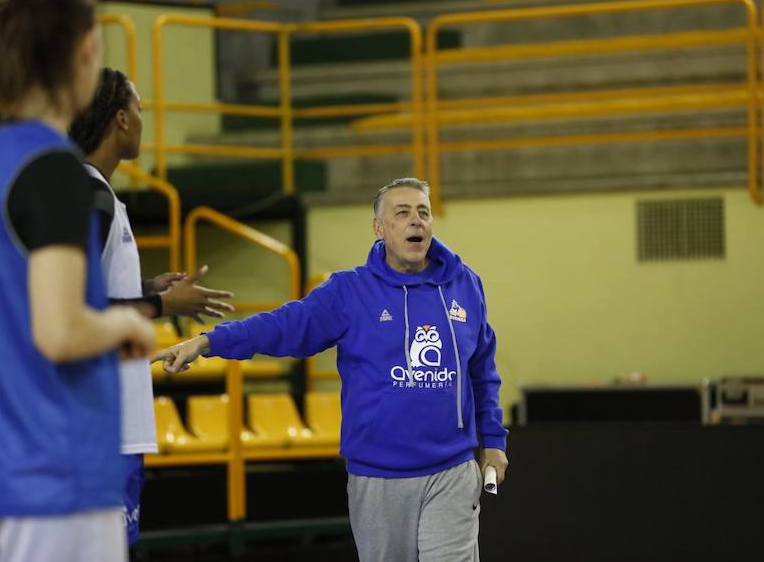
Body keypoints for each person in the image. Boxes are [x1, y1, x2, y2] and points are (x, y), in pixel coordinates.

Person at [153, 177, 509, 561]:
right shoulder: (349, 292)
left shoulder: (464, 285)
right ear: (379, 228)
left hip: (451, 470)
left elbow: (482, 371)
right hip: (378, 476)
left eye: (423, 212)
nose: (416, 221)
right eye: (402, 213)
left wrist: (494, 441)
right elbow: (282, 325)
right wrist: (208, 342)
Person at [0, 0, 155, 562]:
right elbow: (60, 331)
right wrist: (129, 326)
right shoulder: (54, 170)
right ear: (85, 51)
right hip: (59, 472)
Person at [68, 67, 236, 545]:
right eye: (140, 109)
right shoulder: (87, 195)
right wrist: (162, 303)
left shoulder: (89, 192)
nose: (144, 119)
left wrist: (146, 287)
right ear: (120, 119)